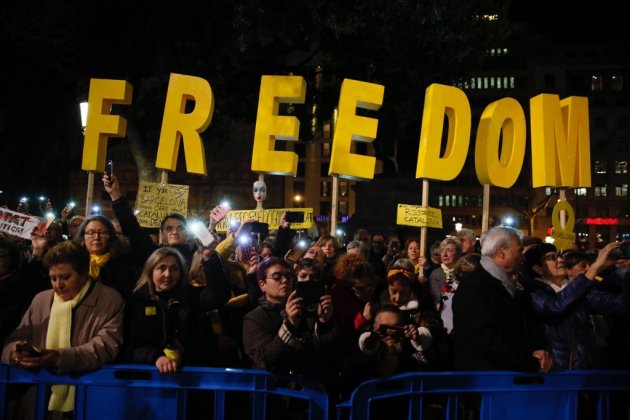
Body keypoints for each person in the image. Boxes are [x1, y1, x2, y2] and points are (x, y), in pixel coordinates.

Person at [2, 241, 124, 417]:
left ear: (83, 274)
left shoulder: (109, 299)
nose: (58, 285)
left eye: (66, 277)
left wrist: (58, 357)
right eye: (53, 278)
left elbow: (104, 346)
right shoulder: (41, 300)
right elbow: (14, 339)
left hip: (86, 397)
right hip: (39, 399)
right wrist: (16, 353)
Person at [451, 226, 553, 372]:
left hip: (505, 378)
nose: (523, 258)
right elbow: (487, 341)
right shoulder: (474, 287)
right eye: (519, 251)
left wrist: (537, 350)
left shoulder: (508, 284)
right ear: (501, 251)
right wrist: (530, 363)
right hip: (488, 383)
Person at [242, 257, 336, 376]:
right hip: (278, 388)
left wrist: (324, 323)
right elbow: (264, 361)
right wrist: (290, 325)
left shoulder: (306, 309)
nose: (285, 280)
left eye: (288, 276)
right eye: (277, 277)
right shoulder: (254, 319)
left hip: (309, 385)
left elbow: (323, 354)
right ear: (262, 285)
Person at [123, 247, 197, 372]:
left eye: (174, 269)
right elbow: (127, 349)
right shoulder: (136, 303)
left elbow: (217, 295)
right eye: (161, 268)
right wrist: (155, 357)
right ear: (151, 271)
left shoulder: (189, 299)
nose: (168, 274)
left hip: (187, 377)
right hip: (147, 379)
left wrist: (209, 258)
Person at [75, 215, 137, 298]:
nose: (97, 237)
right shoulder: (74, 262)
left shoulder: (122, 266)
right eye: (91, 233)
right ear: (83, 236)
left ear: (110, 236)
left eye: (102, 233)